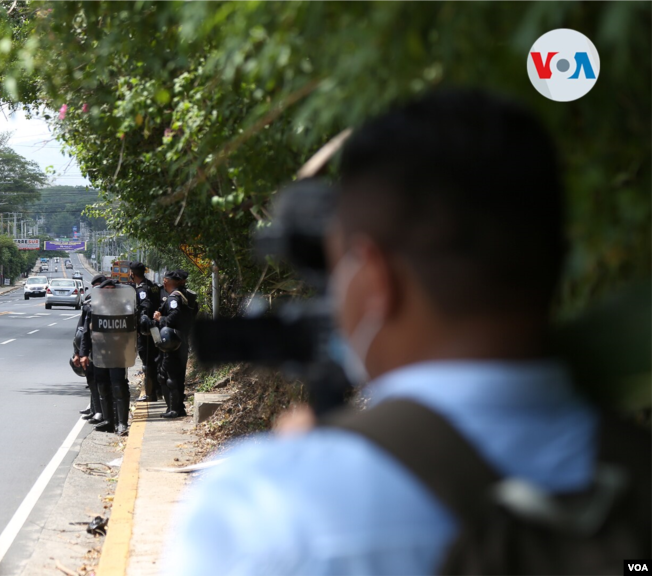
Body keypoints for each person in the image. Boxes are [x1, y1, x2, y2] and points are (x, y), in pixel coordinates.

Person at [164, 90, 650, 575]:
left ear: (376, 281)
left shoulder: (267, 510)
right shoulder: (631, 474)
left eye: (340, 270)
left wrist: (307, 458)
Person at [76, 277, 132, 436]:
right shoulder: (93, 308)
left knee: (119, 387)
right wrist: (83, 354)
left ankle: (122, 423)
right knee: (102, 386)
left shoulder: (124, 308)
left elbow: (130, 332)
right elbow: (86, 333)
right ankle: (108, 420)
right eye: (105, 291)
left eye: (111, 292)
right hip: (99, 353)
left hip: (117, 353)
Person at [153, 270, 197, 418]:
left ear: (169, 281)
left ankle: (174, 409)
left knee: (168, 376)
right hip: (181, 340)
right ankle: (178, 408)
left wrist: (160, 319)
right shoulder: (184, 295)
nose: (163, 283)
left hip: (173, 342)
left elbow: (174, 316)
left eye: (165, 280)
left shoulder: (174, 297)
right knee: (177, 375)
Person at [73, 275, 107, 427]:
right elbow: (81, 331)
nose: (97, 290)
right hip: (92, 350)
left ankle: (106, 414)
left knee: (105, 383)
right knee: (92, 380)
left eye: (100, 286)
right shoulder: (89, 303)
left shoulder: (115, 305)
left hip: (109, 352)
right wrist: (78, 352)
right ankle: (95, 409)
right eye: (95, 287)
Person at [129, 261, 161, 402]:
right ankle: (158, 391)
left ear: (133, 274)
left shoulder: (142, 289)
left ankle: (151, 393)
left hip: (146, 331)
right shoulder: (153, 286)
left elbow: (144, 307)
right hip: (156, 327)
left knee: (147, 362)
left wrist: (140, 324)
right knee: (156, 360)